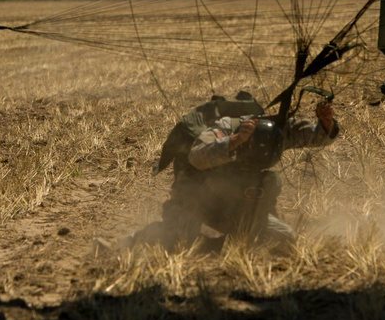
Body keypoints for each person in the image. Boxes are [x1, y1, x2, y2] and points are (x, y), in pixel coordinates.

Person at [120, 90, 340, 253]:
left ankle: (217, 245)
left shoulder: (274, 134)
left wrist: (326, 125)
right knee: (178, 239)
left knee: (283, 239)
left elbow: (314, 137)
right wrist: (234, 142)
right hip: (199, 200)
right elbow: (196, 157)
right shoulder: (226, 127)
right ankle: (126, 243)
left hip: (239, 206)